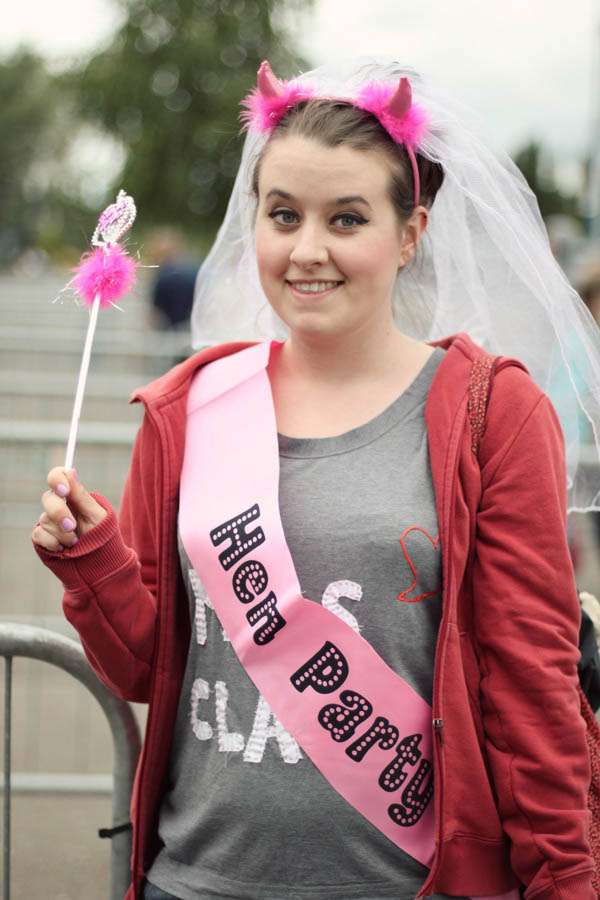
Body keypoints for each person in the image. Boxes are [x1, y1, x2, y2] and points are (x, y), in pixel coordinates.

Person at [31, 57, 600, 900]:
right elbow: (148, 669)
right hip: (198, 882)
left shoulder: (493, 415)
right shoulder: (191, 408)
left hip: (409, 883)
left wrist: (568, 880)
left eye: (347, 219)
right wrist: (94, 561)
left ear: (410, 233)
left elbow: (532, 693)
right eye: (283, 214)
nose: (307, 250)